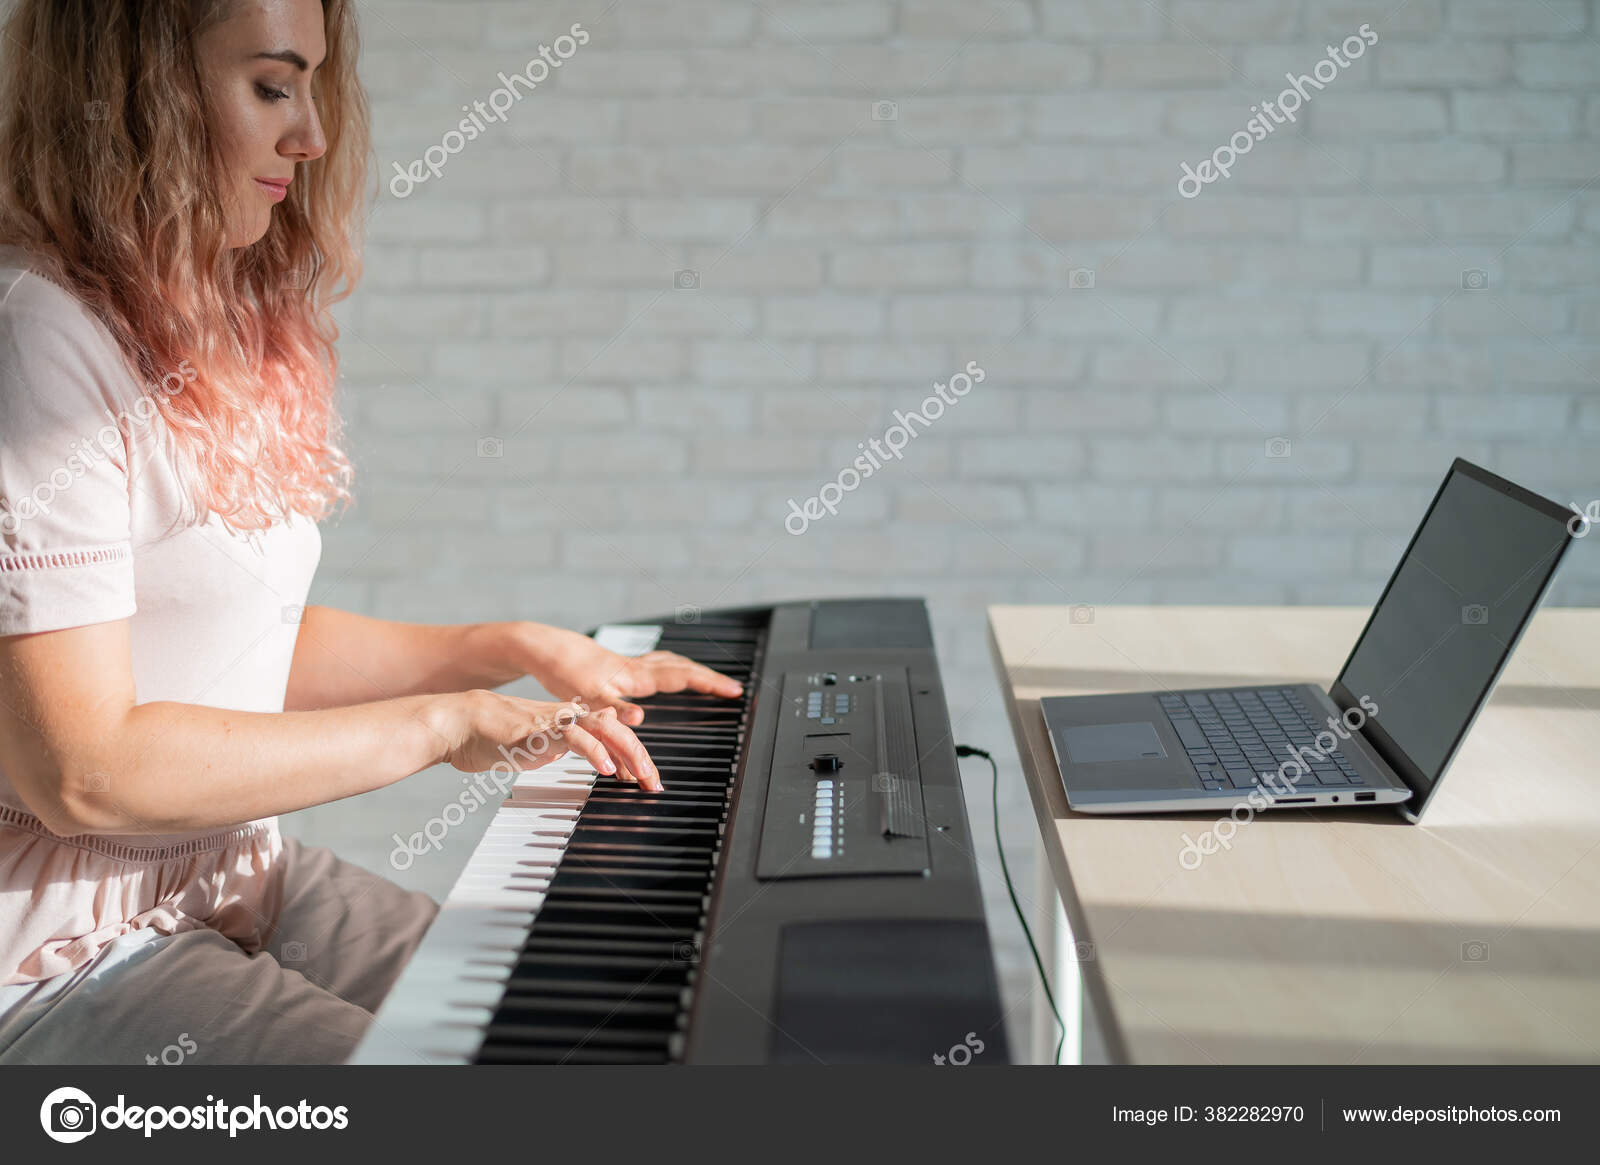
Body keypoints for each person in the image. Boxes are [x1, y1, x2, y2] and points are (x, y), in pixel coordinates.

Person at [0, 0, 741, 1064]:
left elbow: (228, 651)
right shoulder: (35, 339)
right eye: (269, 86)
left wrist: (500, 646)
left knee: (581, 1031)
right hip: (55, 958)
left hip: (227, 874)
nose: (311, 136)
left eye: (311, 87)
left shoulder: (186, 308)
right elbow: (81, 770)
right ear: (135, 90)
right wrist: (439, 727)